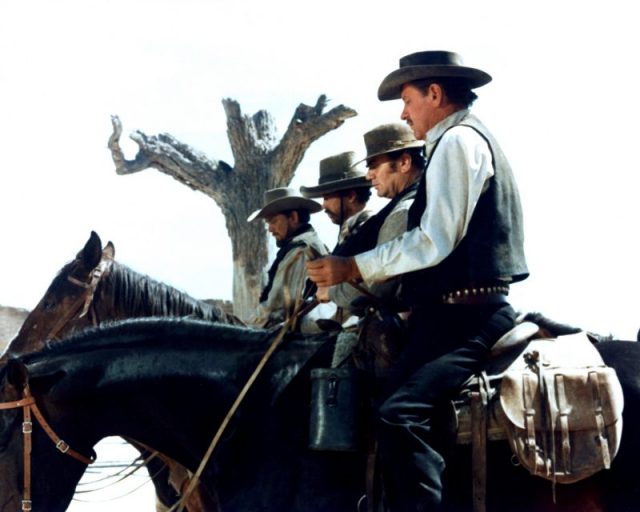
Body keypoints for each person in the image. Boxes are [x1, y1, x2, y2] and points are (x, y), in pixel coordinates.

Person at [306, 50, 528, 511]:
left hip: (464, 317)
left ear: (434, 93)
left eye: (407, 100)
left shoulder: (458, 142)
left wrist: (353, 268)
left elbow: (434, 240)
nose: (404, 114)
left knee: (399, 413)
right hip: (455, 313)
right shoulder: (458, 141)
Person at [247, 187, 331, 333]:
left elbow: (278, 310)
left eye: (273, 221)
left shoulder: (300, 251)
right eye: (268, 223)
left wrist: (245, 327)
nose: (270, 229)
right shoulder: (309, 245)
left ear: (293, 217)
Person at [300, 151, 373, 249]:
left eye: (327, 198)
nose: (324, 206)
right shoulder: (350, 232)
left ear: (351, 196)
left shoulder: (368, 230)